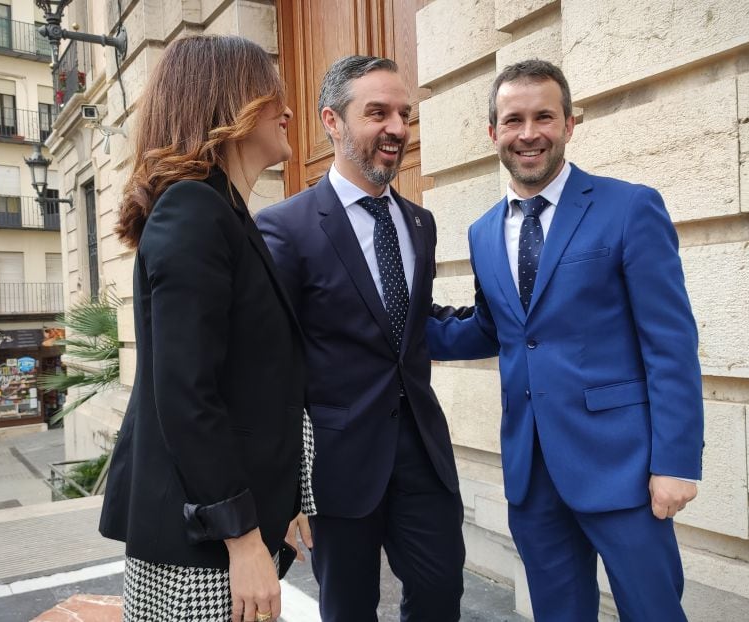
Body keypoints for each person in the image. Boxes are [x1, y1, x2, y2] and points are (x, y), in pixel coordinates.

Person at [426, 59, 704, 621]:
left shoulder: (629, 207)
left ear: (569, 125)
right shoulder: (483, 232)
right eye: (513, 121)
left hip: (624, 469)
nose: (529, 133)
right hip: (532, 473)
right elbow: (497, 327)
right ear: (493, 134)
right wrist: (395, 326)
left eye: (543, 117)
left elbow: (670, 343)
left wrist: (676, 463)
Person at [98, 35, 313, 622]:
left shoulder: (223, 211)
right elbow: (187, 395)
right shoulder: (194, 210)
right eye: (270, 94)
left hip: (217, 535)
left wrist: (282, 502)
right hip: (201, 552)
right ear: (227, 108)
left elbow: (252, 382)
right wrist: (241, 538)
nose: (286, 109)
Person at [255, 56, 466, 622]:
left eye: (404, 113)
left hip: (422, 453)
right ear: (332, 121)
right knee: (348, 610)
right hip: (335, 467)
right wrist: (285, 489)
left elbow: (414, 323)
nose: (397, 127)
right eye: (378, 112)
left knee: (442, 592)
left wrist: (511, 323)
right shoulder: (285, 227)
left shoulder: (420, 222)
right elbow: (269, 366)